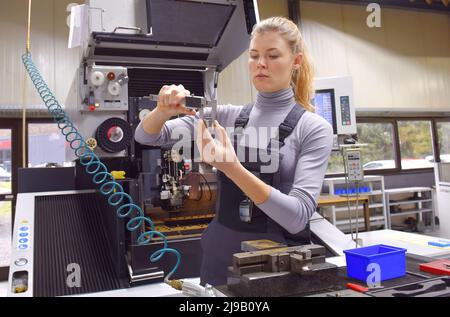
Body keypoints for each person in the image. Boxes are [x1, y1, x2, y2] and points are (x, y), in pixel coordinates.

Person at [135, 17, 333, 286]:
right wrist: (162, 110)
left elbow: (297, 217)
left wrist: (232, 168)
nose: (261, 64)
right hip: (219, 259)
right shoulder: (227, 116)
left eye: (273, 55)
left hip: (277, 265)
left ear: (296, 61)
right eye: (254, 56)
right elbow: (147, 136)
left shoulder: (312, 128)